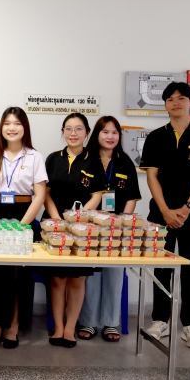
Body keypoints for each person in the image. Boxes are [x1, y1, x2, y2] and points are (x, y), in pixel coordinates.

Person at [140, 82, 190, 349]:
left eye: (181, 98)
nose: (176, 103)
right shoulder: (155, 137)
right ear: (165, 105)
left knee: (189, 266)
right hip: (160, 213)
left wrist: (186, 209)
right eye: (170, 99)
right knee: (161, 267)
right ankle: (159, 321)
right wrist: (165, 211)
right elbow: (151, 177)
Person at [0, 107, 47, 349]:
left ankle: (14, 327)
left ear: (24, 127)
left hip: (24, 217)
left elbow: (40, 196)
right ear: (1, 128)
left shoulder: (35, 157)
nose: (12, 128)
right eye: (7, 123)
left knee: (20, 276)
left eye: (17, 123)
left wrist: (21, 227)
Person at [44, 113, 106, 348]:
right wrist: (58, 220)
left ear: (87, 133)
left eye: (79, 129)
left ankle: (70, 328)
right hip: (55, 228)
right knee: (58, 279)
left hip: (82, 231)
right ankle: (58, 327)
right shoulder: (53, 159)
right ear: (63, 132)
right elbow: (45, 194)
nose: (73, 133)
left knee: (78, 279)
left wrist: (77, 220)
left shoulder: (94, 161)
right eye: (68, 128)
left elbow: (97, 195)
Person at [76, 115, 141, 343]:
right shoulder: (86, 159)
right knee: (91, 276)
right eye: (105, 132)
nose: (110, 136)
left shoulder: (125, 162)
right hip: (90, 227)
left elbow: (132, 197)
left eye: (114, 132)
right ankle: (88, 321)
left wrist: (123, 222)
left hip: (116, 228)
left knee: (114, 276)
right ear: (97, 134)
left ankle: (111, 322)